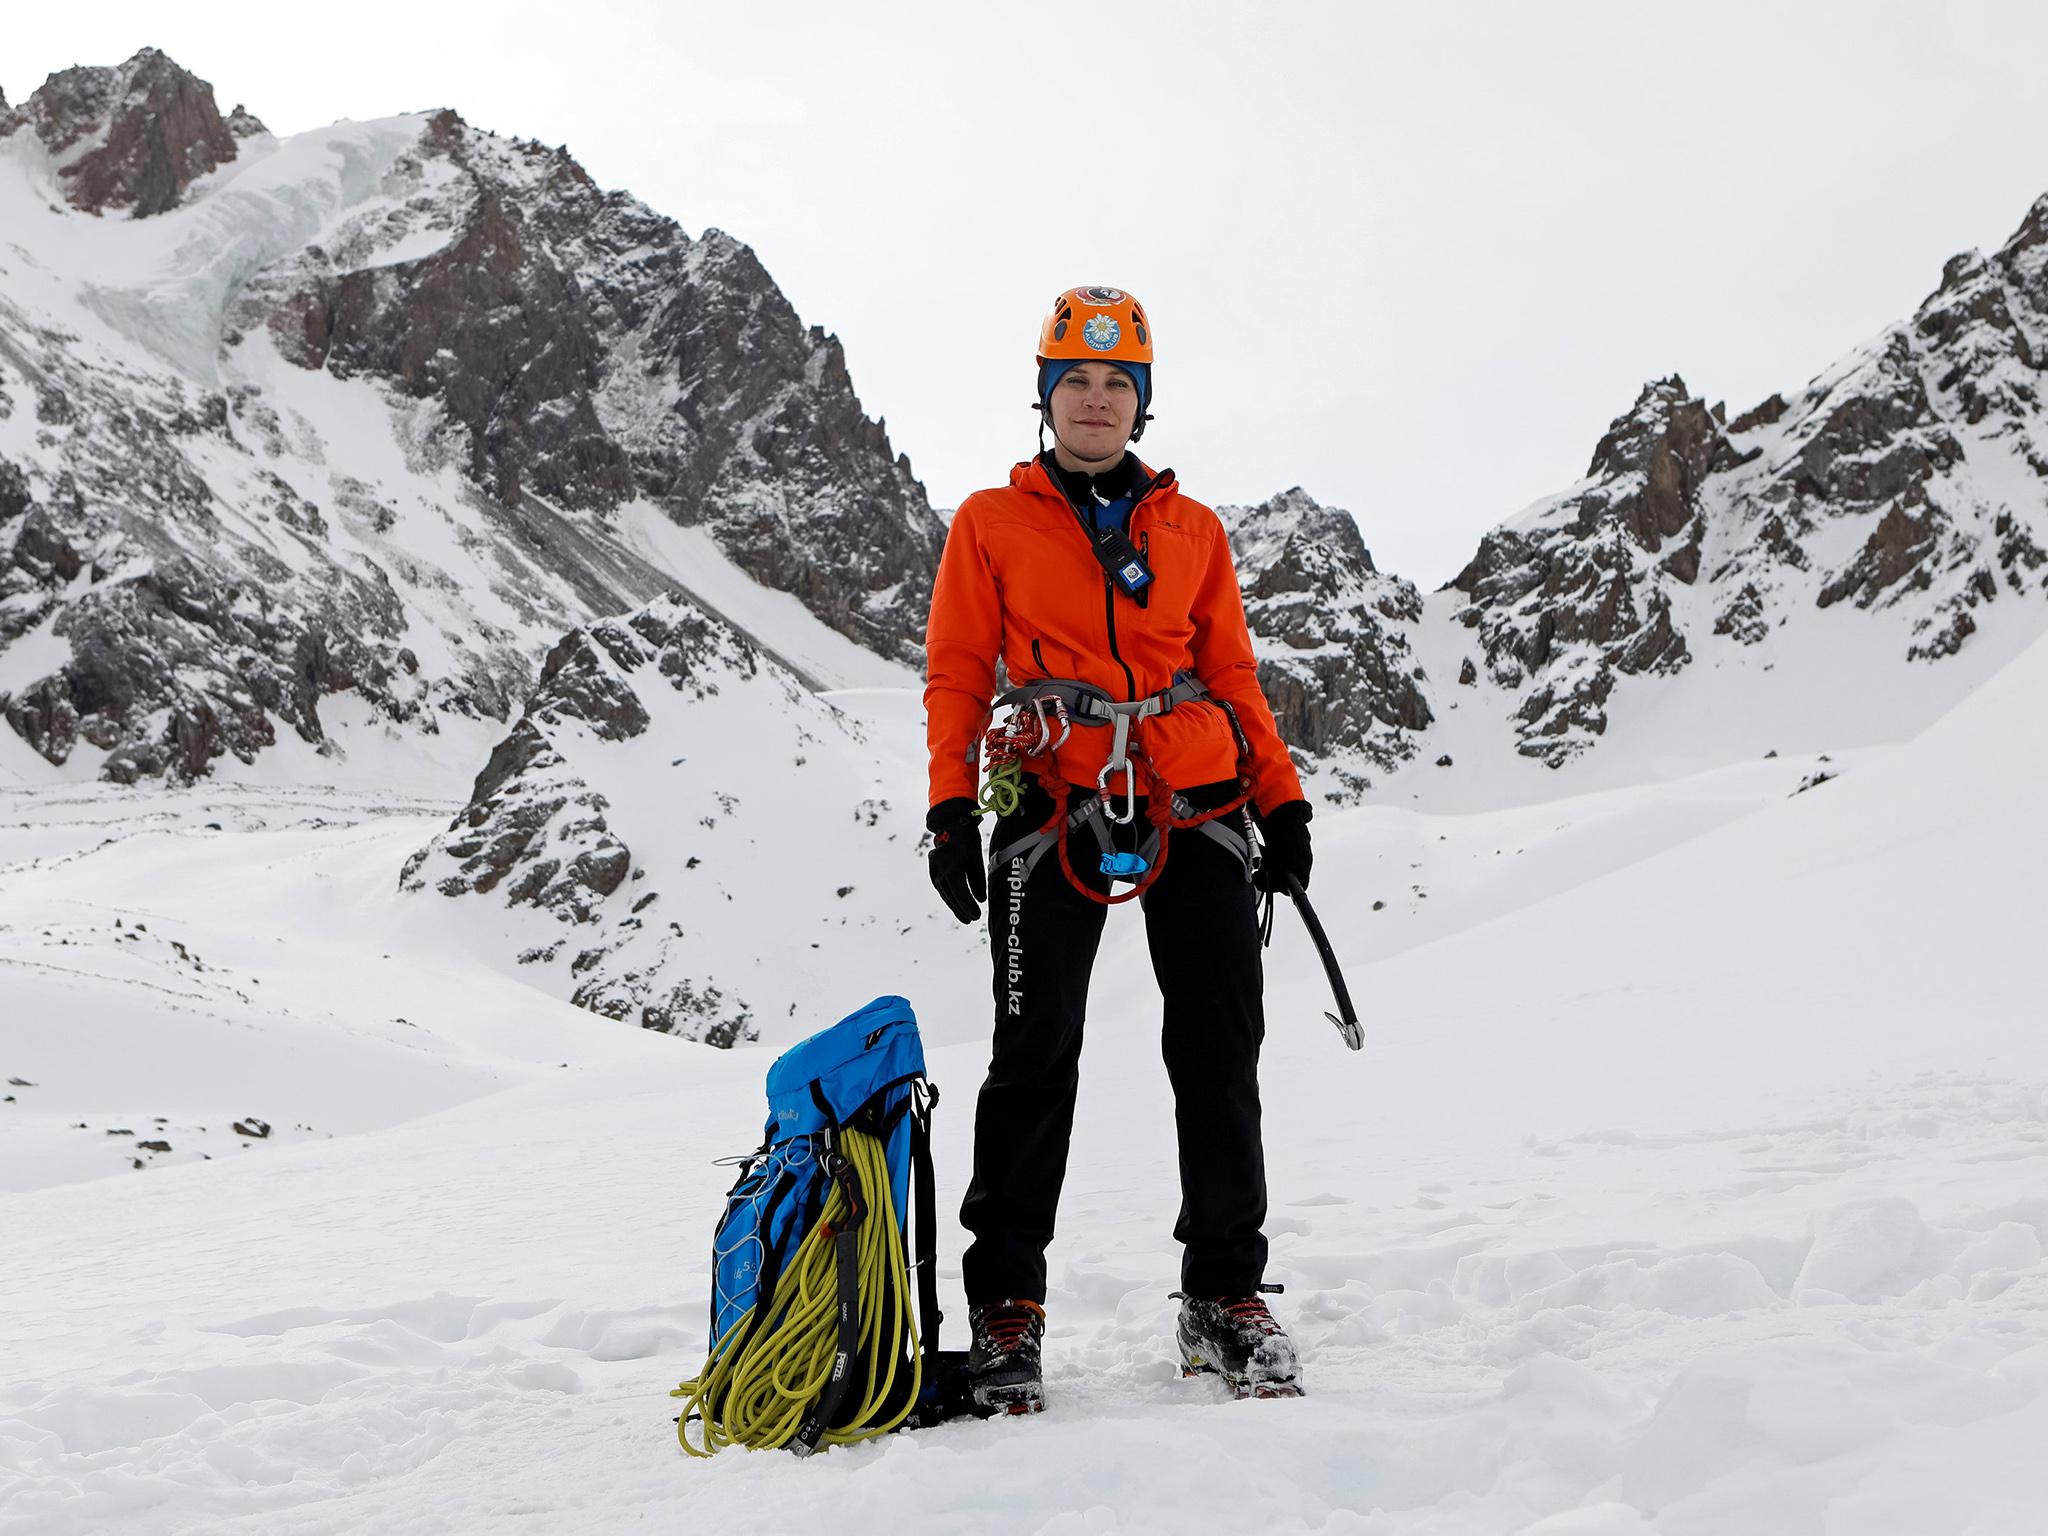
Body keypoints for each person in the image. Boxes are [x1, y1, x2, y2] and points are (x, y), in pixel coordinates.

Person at [922, 285, 1315, 1412]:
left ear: (1140, 406)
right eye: (1075, 382)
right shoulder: (988, 524)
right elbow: (957, 670)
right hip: (1050, 805)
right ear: (1044, 397)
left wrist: (1278, 805)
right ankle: (1008, 1306)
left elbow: (1231, 674)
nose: (1094, 400)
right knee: (1031, 1055)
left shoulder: (1192, 531)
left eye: (1115, 385)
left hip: (1194, 805)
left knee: (1216, 1048)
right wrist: (952, 807)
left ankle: (1221, 1296)